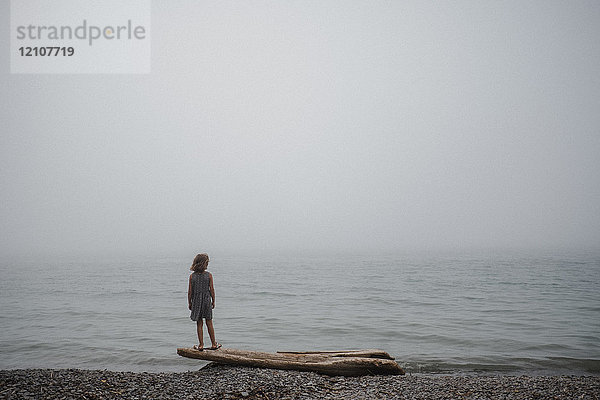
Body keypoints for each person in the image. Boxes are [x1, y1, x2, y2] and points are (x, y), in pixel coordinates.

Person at [188, 253, 221, 351]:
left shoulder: (192, 276)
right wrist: (213, 300)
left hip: (196, 301)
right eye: (207, 263)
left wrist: (189, 302)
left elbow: (190, 291)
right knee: (209, 322)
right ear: (204, 263)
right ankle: (214, 344)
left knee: (199, 323)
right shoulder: (209, 275)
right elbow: (212, 289)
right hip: (207, 300)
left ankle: (201, 345)